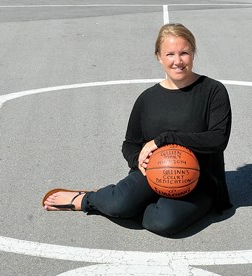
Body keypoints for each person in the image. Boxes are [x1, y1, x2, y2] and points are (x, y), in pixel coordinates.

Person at [42, 23, 232, 236]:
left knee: (163, 223)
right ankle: (90, 199)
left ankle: (117, 198)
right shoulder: (147, 99)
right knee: (118, 206)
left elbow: (218, 139)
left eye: (184, 53)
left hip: (198, 180)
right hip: (154, 172)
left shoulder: (213, 91)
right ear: (159, 57)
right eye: (170, 54)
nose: (177, 61)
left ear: (193, 54)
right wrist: (139, 163)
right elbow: (130, 144)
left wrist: (165, 139)